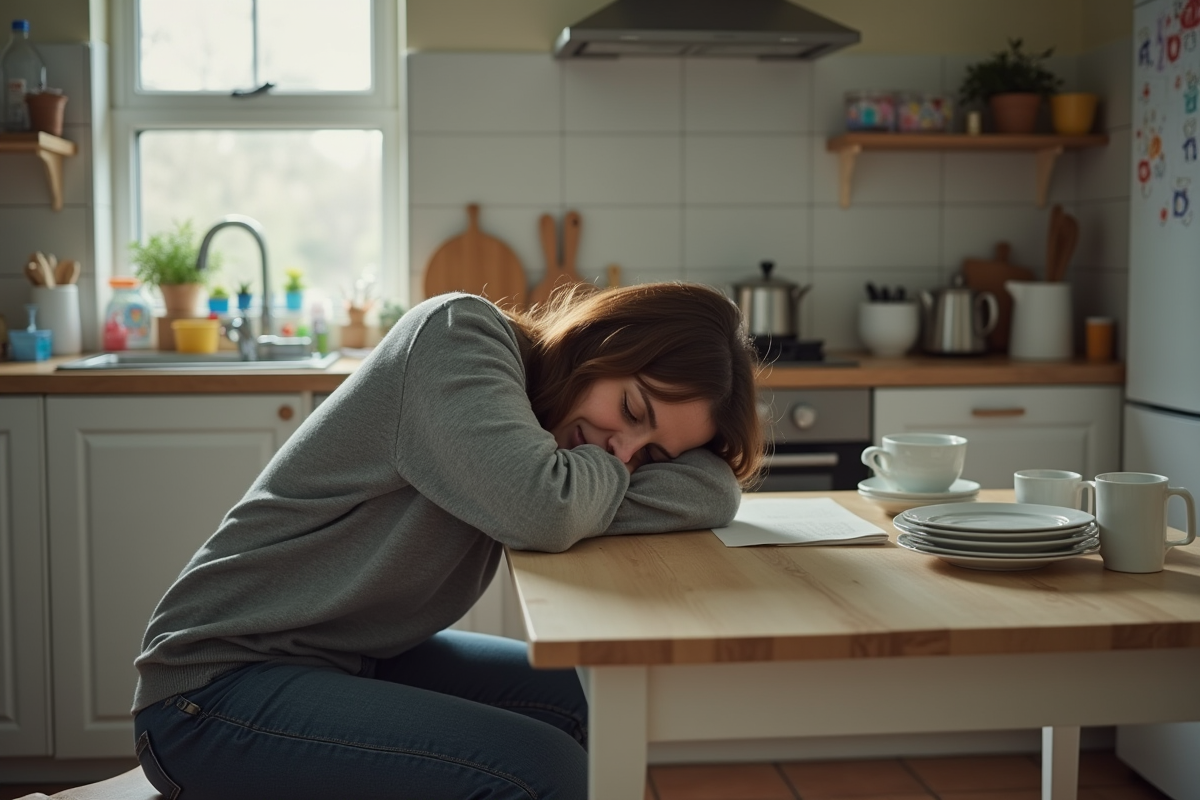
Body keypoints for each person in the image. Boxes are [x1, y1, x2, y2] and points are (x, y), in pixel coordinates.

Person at [130, 282, 764, 800]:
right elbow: (541, 508)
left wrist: (577, 483)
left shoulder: (555, 441)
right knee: (544, 772)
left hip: (353, 653)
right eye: (631, 411)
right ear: (600, 343)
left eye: (652, 454)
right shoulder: (458, 336)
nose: (621, 454)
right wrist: (573, 487)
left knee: (592, 702)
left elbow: (711, 491)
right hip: (212, 689)